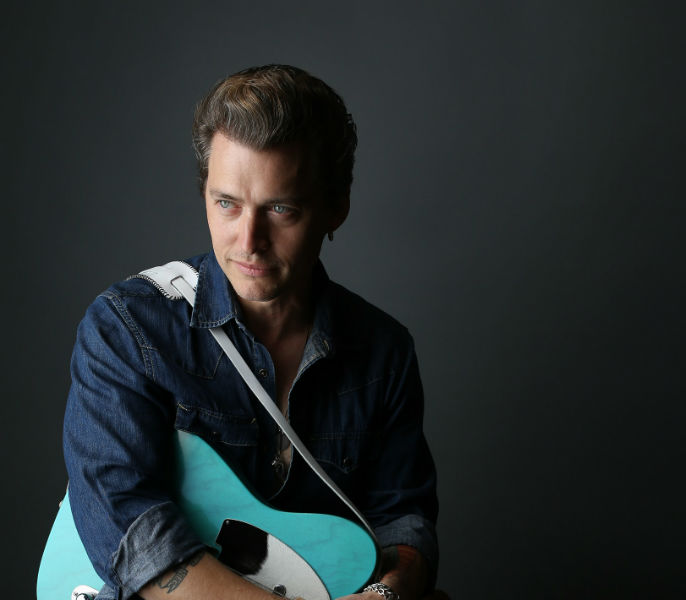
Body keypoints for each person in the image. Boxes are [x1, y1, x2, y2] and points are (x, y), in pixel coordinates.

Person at [63, 65, 439, 600]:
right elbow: (130, 532)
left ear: (336, 208)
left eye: (281, 209)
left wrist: (390, 593)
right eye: (227, 204)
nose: (249, 241)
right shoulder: (127, 328)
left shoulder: (384, 352)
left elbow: (403, 518)